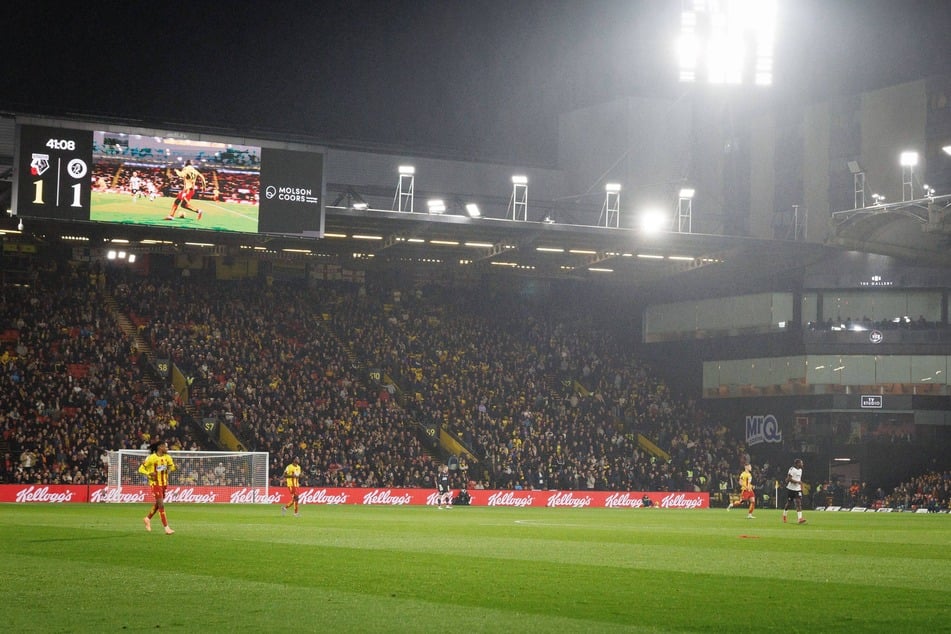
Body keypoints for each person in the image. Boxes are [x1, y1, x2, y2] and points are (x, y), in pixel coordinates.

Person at [138, 441, 177, 535]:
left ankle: (147, 519)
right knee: (161, 505)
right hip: (155, 483)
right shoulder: (152, 458)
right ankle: (167, 528)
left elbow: (172, 468)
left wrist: (175, 467)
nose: (167, 449)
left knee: (158, 504)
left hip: (164, 484)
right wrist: (149, 473)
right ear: (160, 447)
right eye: (165, 447)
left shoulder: (167, 457)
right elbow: (141, 469)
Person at [783, 458, 807, 524]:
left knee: (798, 503)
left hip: (797, 489)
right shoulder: (792, 469)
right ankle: (784, 515)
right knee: (789, 503)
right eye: (801, 463)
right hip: (791, 489)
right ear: (797, 463)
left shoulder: (800, 470)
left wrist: (801, 486)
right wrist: (797, 482)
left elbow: (799, 480)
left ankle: (800, 518)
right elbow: (788, 479)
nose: (802, 464)